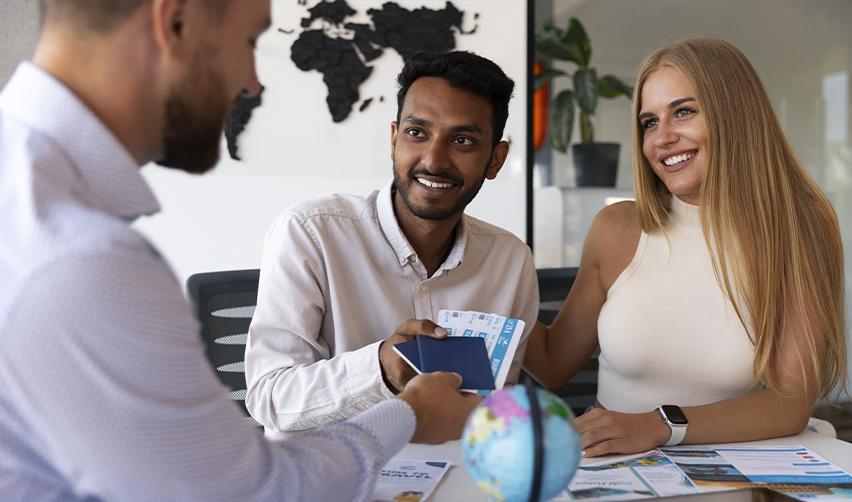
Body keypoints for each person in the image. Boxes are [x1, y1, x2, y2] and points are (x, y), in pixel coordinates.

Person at [0, 1, 480, 500]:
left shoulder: (33, 203)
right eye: (250, 42)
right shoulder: (80, 258)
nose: (252, 82)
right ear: (176, 22)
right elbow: (250, 491)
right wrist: (410, 413)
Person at [523, 37, 847, 457]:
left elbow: (789, 403)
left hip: (727, 468)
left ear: (735, 114)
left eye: (684, 111)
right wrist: (482, 282)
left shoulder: (796, 228)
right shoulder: (617, 228)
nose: (662, 138)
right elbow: (551, 364)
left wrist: (659, 425)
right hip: (613, 468)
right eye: (649, 122)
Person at [244, 51, 539, 435]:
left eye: (462, 140)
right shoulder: (310, 233)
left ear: (495, 160)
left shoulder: (509, 261)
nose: (434, 160)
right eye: (417, 133)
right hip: (330, 478)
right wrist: (380, 368)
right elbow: (269, 398)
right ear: (394, 138)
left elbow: (492, 410)